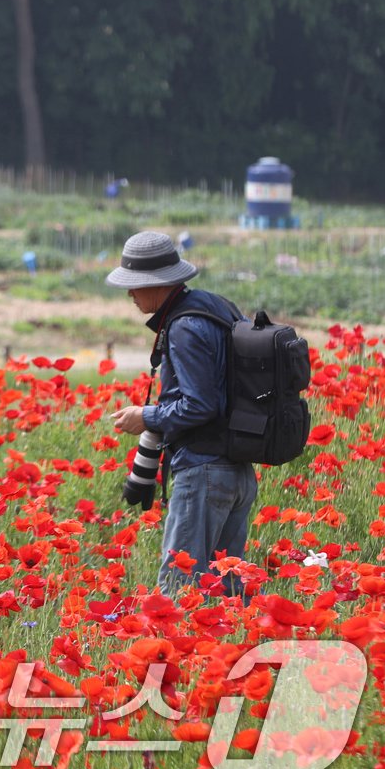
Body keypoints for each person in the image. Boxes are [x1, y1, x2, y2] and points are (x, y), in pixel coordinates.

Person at [106, 231, 256, 598]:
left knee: (180, 591)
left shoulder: (184, 326)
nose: (130, 294)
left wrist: (147, 416)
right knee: (227, 593)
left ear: (158, 284)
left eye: (135, 286)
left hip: (204, 472)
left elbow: (200, 404)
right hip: (237, 470)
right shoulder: (217, 306)